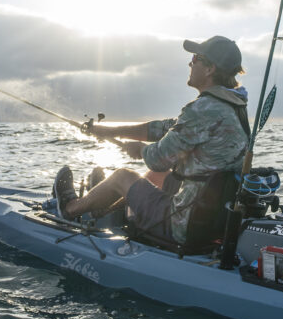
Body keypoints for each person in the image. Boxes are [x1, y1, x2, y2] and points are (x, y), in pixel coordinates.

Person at [49, 36, 249, 249]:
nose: (190, 63)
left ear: (210, 69)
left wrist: (140, 149)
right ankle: (104, 207)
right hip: (212, 222)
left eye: (196, 58)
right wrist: (107, 131)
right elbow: (164, 128)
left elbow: (156, 159)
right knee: (165, 175)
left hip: (182, 225)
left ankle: (70, 209)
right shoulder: (233, 107)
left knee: (122, 176)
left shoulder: (202, 109)